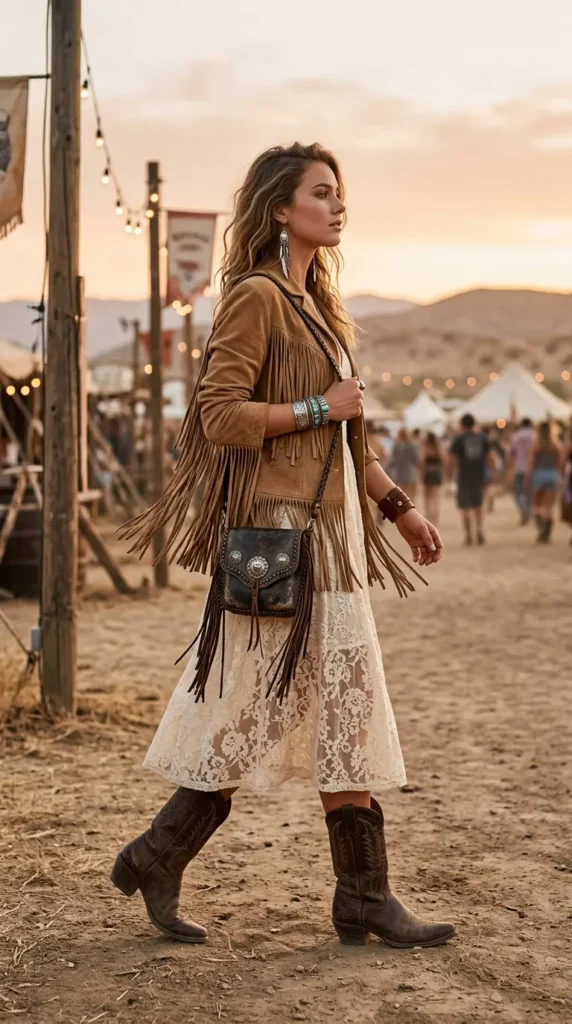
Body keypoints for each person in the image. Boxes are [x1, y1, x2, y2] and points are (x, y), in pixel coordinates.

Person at [112, 142, 454, 950]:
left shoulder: (324, 311)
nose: (339, 207)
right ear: (280, 209)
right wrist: (315, 406)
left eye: (340, 195)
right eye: (323, 193)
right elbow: (219, 413)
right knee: (248, 712)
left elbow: (351, 440)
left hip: (330, 545)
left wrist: (399, 508)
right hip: (279, 545)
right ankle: (164, 855)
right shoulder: (256, 299)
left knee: (342, 707)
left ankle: (359, 897)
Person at [448, 413, 493, 545]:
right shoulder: (482, 438)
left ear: (462, 425)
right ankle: (479, 530)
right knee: (478, 505)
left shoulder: (459, 439)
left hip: (463, 477)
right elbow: (491, 457)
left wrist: (449, 475)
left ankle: (468, 534)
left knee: (465, 507)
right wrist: (493, 473)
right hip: (479, 476)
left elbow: (452, 460)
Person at [528, 421, 564, 543]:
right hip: (552, 474)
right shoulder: (556, 445)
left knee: (537, 505)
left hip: (539, 474)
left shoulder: (536, 445)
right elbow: (561, 462)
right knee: (549, 506)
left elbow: (531, 463)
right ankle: (547, 532)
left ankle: (541, 529)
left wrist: (528, 477)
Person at [507, 417, 536, 524]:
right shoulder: (535, 436)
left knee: (517, 491)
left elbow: (510, 454)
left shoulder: (515, 437)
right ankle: (528, 507)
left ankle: (521, 506)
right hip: (532, 468)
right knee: (530, 491)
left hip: (519, 467)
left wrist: (509, 467)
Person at [388, 427, 420, 503]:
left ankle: (403, 505)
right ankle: (409, 505)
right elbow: (416, 459)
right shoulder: (413, 445)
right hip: (409, 470)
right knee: (410, 491)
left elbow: (393, 459)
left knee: (401, 491)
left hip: (399, 471)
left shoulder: (397, 445)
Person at [420, 431, 444, 525]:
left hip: (428, 472)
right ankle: (435, 515)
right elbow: (443, 460)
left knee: (427, 496)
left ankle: (428, 514)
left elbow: (422, 462)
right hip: (437, 472)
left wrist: (421, 473)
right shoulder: (438, 448)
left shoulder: (426, 448)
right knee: (436, 496)